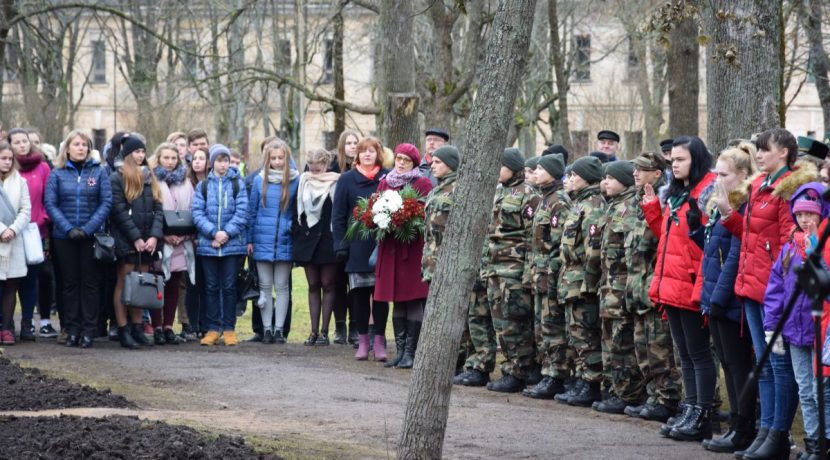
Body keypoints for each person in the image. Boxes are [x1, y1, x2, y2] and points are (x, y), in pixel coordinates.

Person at [719, 128, 817, 458]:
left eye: (766, 149)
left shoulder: (790, 190)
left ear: (785, 153)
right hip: (751, 286)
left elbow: (790, 246)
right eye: (757, 150)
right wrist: (729, 217)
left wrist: (779, 290)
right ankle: (765, 430)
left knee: (778, 366)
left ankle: (778, 435)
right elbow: (752, 238)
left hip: (772, 293)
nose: (759, 155)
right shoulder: (760, 185)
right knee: (763, 363)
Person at [642, 136, 716, 441]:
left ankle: (703, 413)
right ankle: (689, 407)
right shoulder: (677, 194)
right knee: (684, 353)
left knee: (699, 354)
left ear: (696, 160)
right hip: (671, 284)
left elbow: (705, 246)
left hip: (690, 284)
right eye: (672, 160)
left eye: (681, 160)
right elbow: (667, 239)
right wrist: (651, 209)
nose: (675, 165)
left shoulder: (705, 195)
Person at [696, 143, 757, 452]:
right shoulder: (720, 204)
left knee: (737, 364)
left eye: (724, 174)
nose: (717, 179)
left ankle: (743, 426)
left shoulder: (743, 206)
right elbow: (711, 254)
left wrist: (717, 299)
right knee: (727, 364)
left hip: (731, 297)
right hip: (716, 294)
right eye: (715, 173)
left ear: (743, 175)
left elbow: (734, 255)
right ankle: (736, 424)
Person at [762, 182, 828, 459]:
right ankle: (812, 443)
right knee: (805, 389)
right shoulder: (790, 247)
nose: (804, 219)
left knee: (820, 390)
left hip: (820, 331)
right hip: (794, 331)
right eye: (800, 214)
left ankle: (824, 444)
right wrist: (771, 327)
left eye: (810, 214)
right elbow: (776, 287)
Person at [624, 151, 682, 422]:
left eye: (642, 169)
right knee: (643, 349)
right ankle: (652, 396)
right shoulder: (637, 201)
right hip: (637, 287)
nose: (635, 173)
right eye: (635, 169)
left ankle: (668, 400)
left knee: (660, 350)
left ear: (657, 174)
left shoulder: (664, 200)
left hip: (654, 288)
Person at [44, 130, 112, 348]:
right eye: (77, 144)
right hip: (64, 238)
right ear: (68, 148)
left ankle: (89, 330)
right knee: (70, 284)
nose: (81, 148)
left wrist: (88, 228)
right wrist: (68, 228)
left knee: (90, 284)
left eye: (85, 144)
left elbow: (106, 202)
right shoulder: (57, 173)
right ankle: (72, 329)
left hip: (91, 237)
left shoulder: (99, 172)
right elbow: (51, 204)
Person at [482, 148, 541, 392]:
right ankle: (511, 367)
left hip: (514, 271)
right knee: (500, 323)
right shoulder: (498, 192)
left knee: (515, 322)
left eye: (501, 165)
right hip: (495, 269)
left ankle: (522, 370)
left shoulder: (528, 195)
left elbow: (533, 237)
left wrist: (528, 273)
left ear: (513, 167)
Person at [375, 143, 433, 368]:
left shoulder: (422, 183)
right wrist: (379, 220)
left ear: (414, 163)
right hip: (390, 249)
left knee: (412, 299)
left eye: (406, 160)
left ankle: (411, 352)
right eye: (398, 158)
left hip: (411, 248)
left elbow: (424, 214)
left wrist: (405, 219)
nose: (400, 163)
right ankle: (399, 352)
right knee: (397, 299)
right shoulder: (385, 181)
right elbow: (375, 208)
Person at [554, 156, 606, 405]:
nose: (569, 179)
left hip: (581, 281)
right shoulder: (580, 203)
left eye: (574, 175)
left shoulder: (593, 205)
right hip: (570, 278)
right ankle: (581, 378)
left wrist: (589, 283)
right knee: (574, 333)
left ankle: (591, 383)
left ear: (587, 177)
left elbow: (593, 251)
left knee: (585, 333)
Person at [331, 136, 389, 361]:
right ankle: (363, 341)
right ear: (357, 155)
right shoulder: (346, 179)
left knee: (381, 297)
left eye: (371, 151)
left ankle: (380, 342)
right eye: (363, 151)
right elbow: (338, 216)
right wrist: (340, 244)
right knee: (359, 296)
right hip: (355, 245)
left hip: (381, 244)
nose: (367, 154)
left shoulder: (386, 177)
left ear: (378, 154)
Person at [593, 160, 642, 414]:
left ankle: (629, 393)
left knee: (623, 341)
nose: (605, 182)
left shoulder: (630, 207)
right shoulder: (613, 206)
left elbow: (632, 252)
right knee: (611, 341)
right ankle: (615, 389)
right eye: (604, 178)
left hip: (622, 285)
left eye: (611, 178)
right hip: (608, 285)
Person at [523, 153, 572, 399]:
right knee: (542, 326)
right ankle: (547, 371)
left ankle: (557, 375)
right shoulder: (544, 199)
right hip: (539, 274)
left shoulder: (558, 201)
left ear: (553, 173)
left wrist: (552, 275)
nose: (535, 172)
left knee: (553, 326)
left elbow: (559, 243)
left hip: (551, 274)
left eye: (541, 169)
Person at [109, 137, 164, 349]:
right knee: (124, 283)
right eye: (137, 151)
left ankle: (138, 328)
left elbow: (158, 209)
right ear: (128, 154)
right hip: (127, 240)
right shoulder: (117, 177)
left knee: (142, 283)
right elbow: (119, 212)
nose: (141, 155)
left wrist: (153, 237)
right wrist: (136, 238)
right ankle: (123, 330)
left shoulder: (150, 177)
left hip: (148, 240)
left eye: (143, 151)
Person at [421, 145, 473, 371]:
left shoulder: (459, 190)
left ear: (451, 163)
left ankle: (460, 360)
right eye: (432, 162)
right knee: (438, 315)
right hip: (434, 261)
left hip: (450, 261)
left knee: (455, 315)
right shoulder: (437, 190)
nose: (432, 165)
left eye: (437, 162)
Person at [193, 144, 248, 346]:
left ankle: (229, 328)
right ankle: (213, 328)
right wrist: (213, 233)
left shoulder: (237, 184)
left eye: (225, 160)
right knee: (211, 287)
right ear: (212, 162)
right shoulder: (203, 186)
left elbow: (242, 212)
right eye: (219, 160)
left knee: (230, 287)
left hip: (232, 246)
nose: (223, 164)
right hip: (209, 246)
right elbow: (197, 213)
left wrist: (226, 233)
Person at [247, 139, 299, 344]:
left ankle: (279, 329)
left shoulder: (296, 180)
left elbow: (298, 214)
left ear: (287, 158)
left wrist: (290, 230)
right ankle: (266, 328)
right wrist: (250, 239)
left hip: (285, 241)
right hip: (262, 240)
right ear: (267, 159)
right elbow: (252, 213)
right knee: (265, 286)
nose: (277, 162)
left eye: (281, 158)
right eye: (273, 158)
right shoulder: (259, 180)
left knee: (282, 286)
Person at [7, 128, 51, 341]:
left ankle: (27, 323)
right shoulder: (7, 170)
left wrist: (42, 217)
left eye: (25, 141)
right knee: (8, 280)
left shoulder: (42, 167)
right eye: (17, 142)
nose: (22, 145)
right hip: (7, 233)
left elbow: (48, 197)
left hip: (34, 231)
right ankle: (6, 323)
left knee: (30, 279)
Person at [294, 148, 339, 345]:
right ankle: (313, 332)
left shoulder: (337, 182)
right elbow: (297, 211)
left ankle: (325, 332)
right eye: (311, 169)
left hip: (329, 241)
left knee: (328, 284)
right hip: (308, 240)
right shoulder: (303, 181)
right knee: (313, 285)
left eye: (317, 170)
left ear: (326, 166)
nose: (313, 173)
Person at [152, 143, 195, 345]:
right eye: (165, 158)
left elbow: (193, 208)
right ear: (159, 159)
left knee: (174, 285)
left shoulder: (185, 182)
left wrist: (185, 235)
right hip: (159, 241)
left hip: (180, 240)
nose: (169, 162)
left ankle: (169, 326)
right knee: (158, 283)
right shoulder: (151, 180)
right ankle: (156, 326)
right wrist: (162, 235)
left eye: (173, 158)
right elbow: (149, 210)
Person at [0, 141, 31, 345]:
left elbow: (25, 210)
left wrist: (12, 229)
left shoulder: (19, 181)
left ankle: (6, 328)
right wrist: (2, 229)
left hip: (14, 241)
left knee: (12, 287)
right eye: (3, 158)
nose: (7, 162)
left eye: (10, 159)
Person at [333, 129, 360, 345]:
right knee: (337, 283)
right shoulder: (332, 167)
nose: (352, 146)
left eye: (355, 142)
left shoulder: (362, 171)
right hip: (334, 233)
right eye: (348, 143)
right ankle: (339, 326)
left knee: (356, 284)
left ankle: (354, 326)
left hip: (358, 234)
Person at [183, 148, 209, 340]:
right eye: (195, 158)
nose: (197, 161)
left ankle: (206, 324)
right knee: (192, 283)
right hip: (188, 239)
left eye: (202, 158)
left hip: (208, 240)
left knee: (208, 283)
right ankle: (192, 324)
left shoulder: (214, 183)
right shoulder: (185, 183)